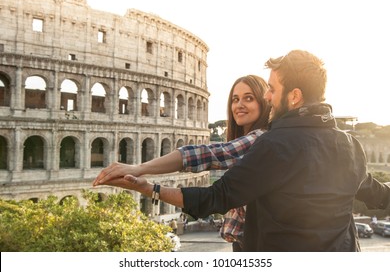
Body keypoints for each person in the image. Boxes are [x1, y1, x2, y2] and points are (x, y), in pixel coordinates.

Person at [94, 50, 390, 251]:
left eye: (272, 89)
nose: (269, 96)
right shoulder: (350, 145)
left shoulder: (273, 146)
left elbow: (215, 196)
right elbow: (376, 194)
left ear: (295, 96)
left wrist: (149, 187)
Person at [94, 75, 271, 251]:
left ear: (264, 102)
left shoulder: (260, 138)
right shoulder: (255, 140)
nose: (239, 105)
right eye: (235, 99)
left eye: (249, 98)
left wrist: (140, 168)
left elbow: (209, 155)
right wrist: (147, 187)